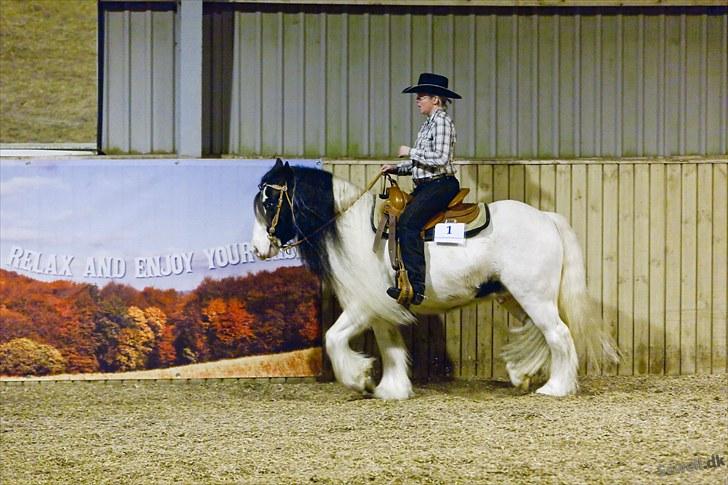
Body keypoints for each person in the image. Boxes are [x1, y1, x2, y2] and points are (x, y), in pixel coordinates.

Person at [381, 72, 461, 306]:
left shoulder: (443, 122)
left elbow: (440, 158)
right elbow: (421, 165)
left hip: (440, 185)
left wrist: (410, 151)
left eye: (421, 96)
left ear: (435, 99)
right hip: (427, 184)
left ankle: (416, 288)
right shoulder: (428, 125)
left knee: (408, 224)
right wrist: (396, 169)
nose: (417, 101)